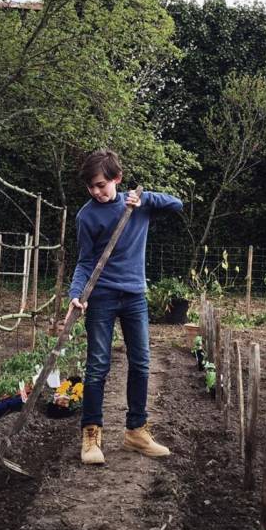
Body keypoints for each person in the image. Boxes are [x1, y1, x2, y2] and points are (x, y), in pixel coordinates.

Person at [63, 149, 183, 465]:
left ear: (117, 178)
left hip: (134, 297)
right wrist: (76, 294)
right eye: (91, 187)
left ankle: (136, 431)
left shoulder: (137, 205)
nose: (96, 192)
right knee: (98, 365)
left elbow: (177, 204)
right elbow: (85, 261)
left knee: (141, 362)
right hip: (101, 296)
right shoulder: (86, 216)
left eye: (101, 185)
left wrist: (145, 198)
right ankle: (91, 434)